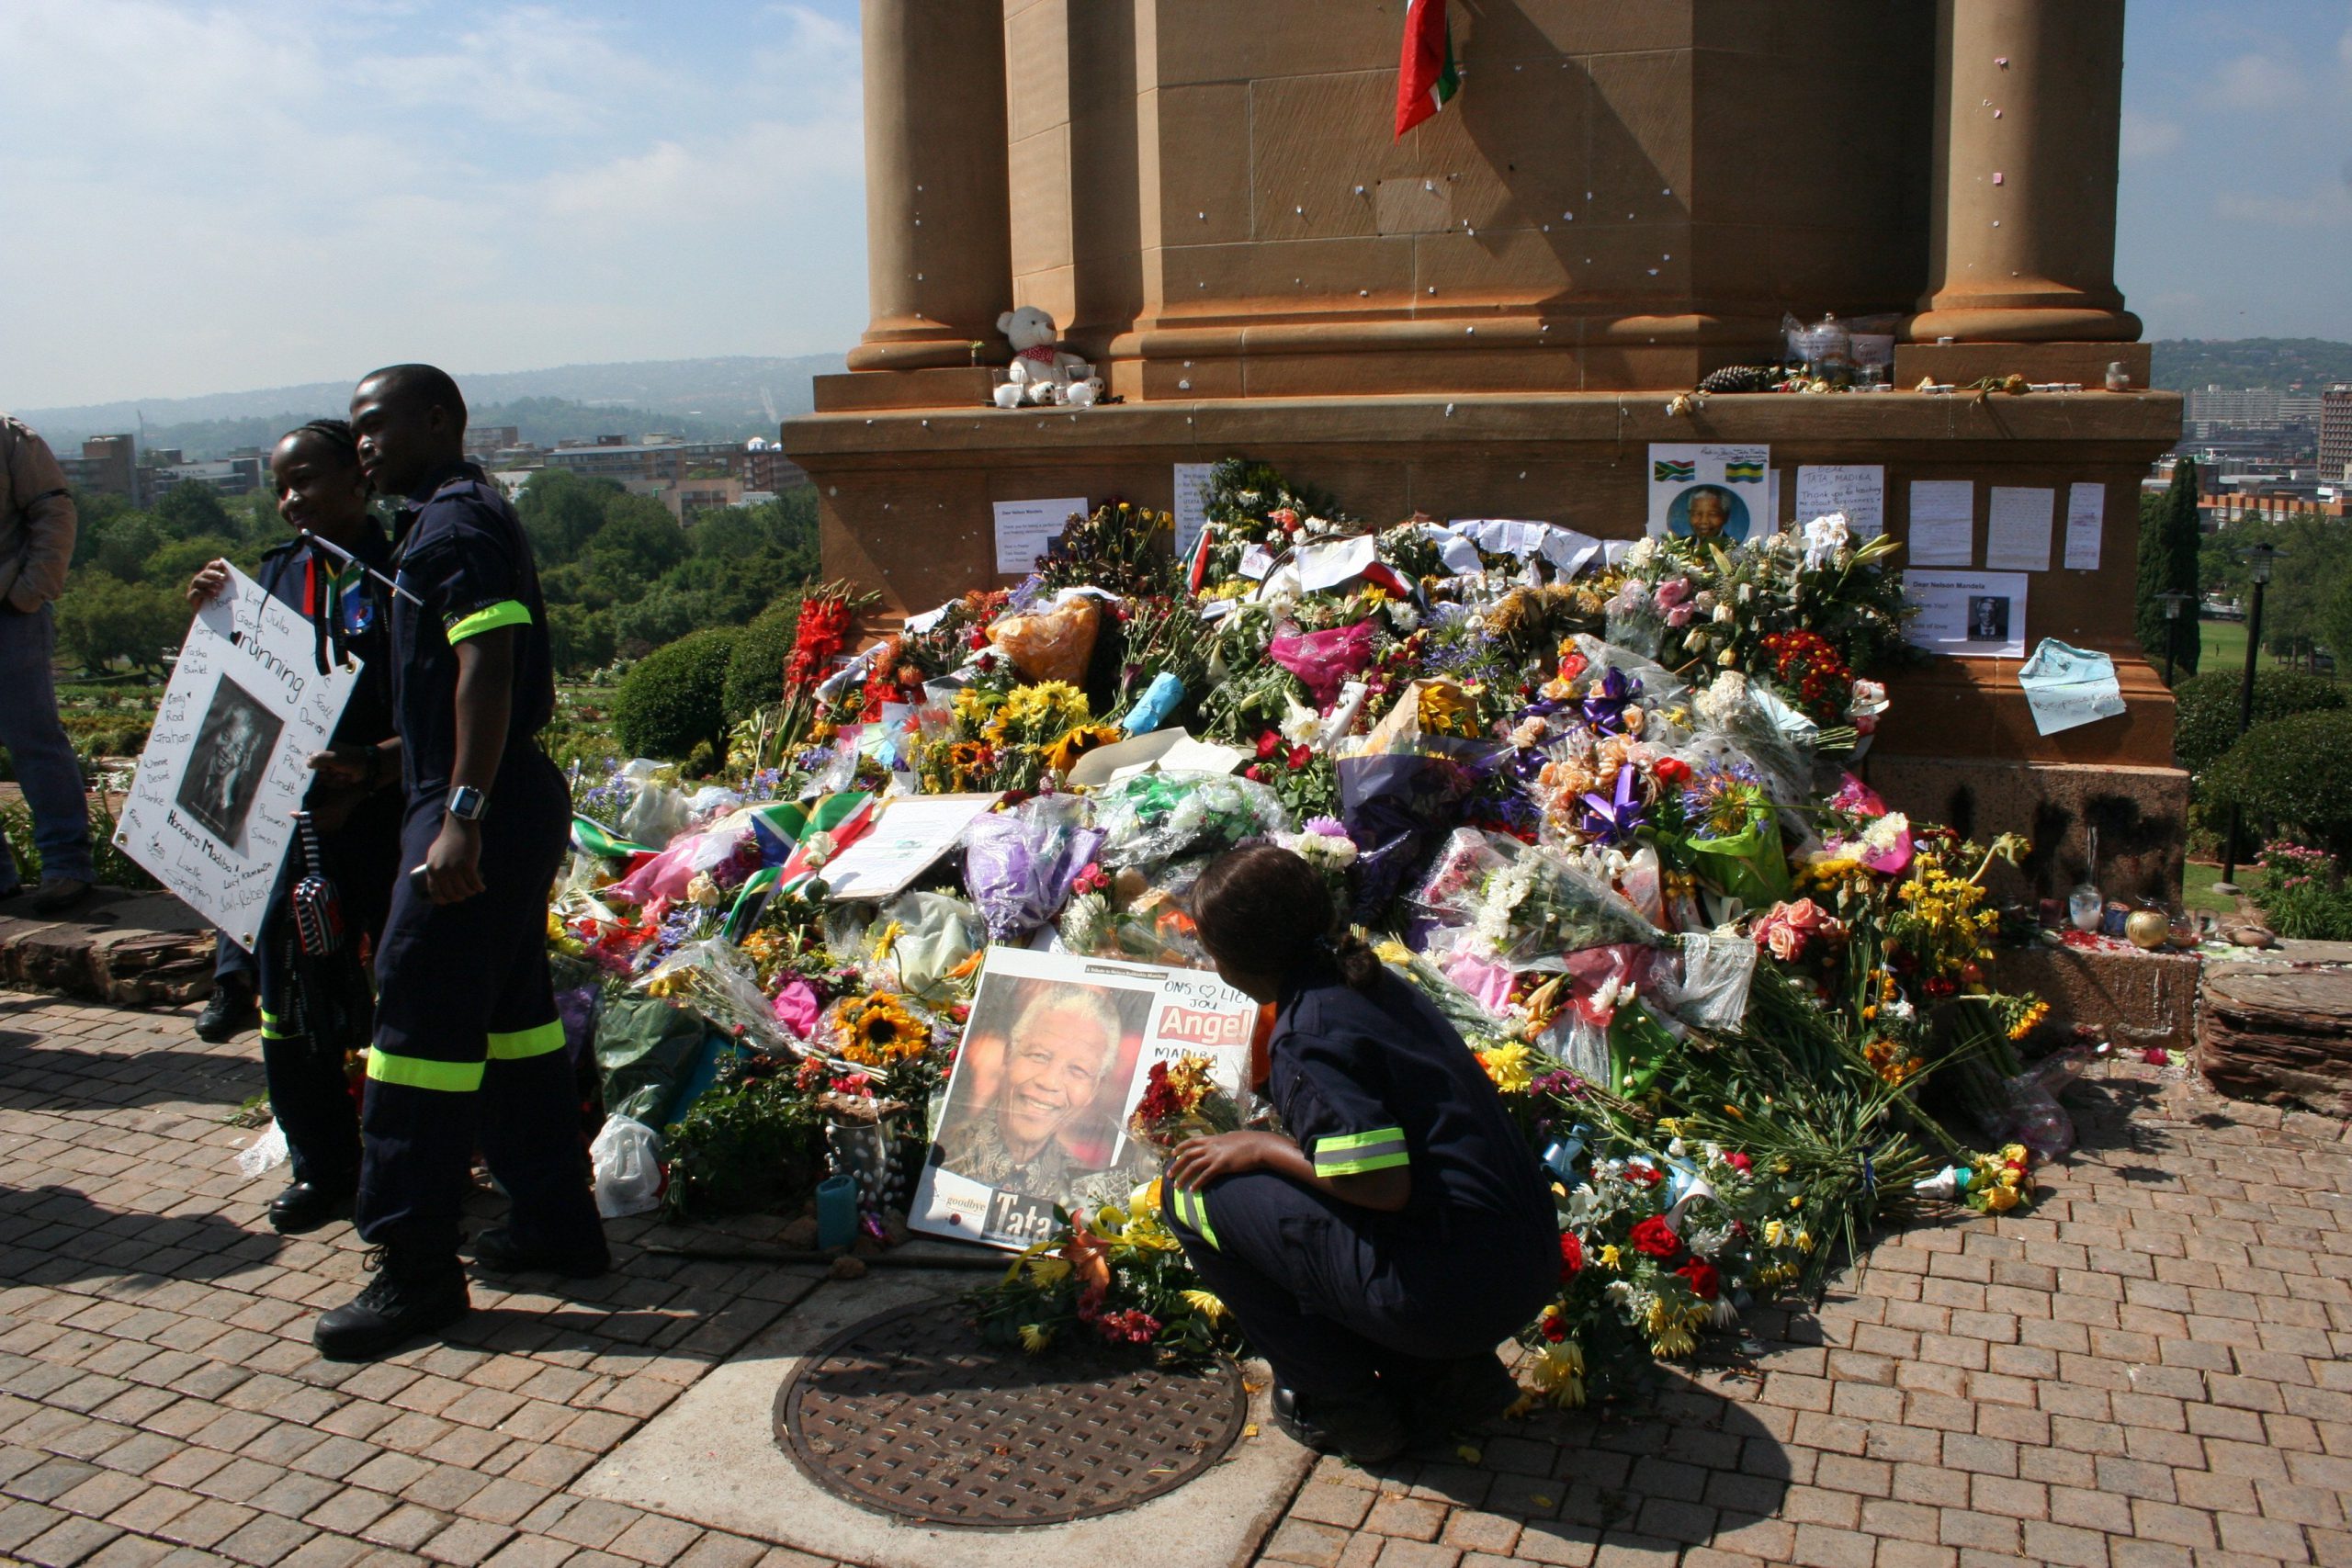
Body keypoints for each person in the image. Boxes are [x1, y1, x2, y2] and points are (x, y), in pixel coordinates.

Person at [311, 366, 605, 1361]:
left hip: (480, 809)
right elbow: (449, 696)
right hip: (485, 797)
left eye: (375, 426)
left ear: (437, 419)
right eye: (353, 431)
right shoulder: (441, 520)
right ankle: (555, 1224)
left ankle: (416, 1271)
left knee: (416, 1026)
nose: (362, 446)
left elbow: (491, 669)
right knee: (512, 1020)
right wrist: (384, 765)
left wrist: (461, 816)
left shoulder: (452, 528)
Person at [1163, 844, 1557, 1462]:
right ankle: (1443, 1378)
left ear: (1237, 959)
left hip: (1454, 1295)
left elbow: (1383, 1188)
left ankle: (1346, 1404)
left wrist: (1264, 1147)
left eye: (1211, 949)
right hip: (1520, 1261)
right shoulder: (1363, 978)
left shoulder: (1307, 1033)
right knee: (1296, 1192)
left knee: (1192, 1191)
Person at [185, 420, 404, 1231]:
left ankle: (409, 1167)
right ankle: (323, 1166)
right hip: (292, 829)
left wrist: (374, 767)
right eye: (280, 485)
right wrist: (213, 617)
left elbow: (433, 706)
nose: (290, 500)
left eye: (306, 479)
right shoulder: (271, 579)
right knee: (290, 1001)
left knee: (399, 996)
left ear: (359, 477)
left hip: (385, 816)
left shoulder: (403, 573)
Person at [0, 413, 95, 914]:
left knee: (33, 739)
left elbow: (54, 511)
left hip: (9, 613)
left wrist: (30, 592)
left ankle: (66, 866)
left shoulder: (10, 438)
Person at [937, 987, 1127, 1202]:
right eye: (1039, 1056)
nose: (1049, 1082)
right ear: (1008, 1054)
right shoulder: (939, 1155)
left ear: (1094, 1089)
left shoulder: (1088, 1195)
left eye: (1078, 1070)